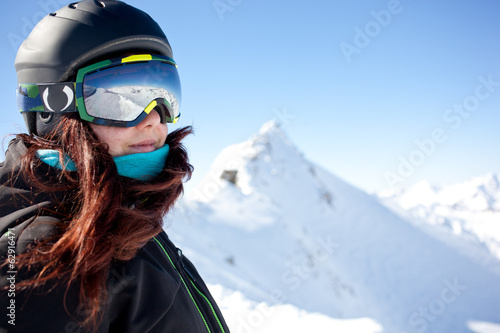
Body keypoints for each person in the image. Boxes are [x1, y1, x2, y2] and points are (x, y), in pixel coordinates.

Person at [0, 1, 229, 332]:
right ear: (53, 110)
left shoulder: (115, 209)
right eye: (120, 99)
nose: (153, 118)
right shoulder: (40, 255)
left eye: (164, 94)